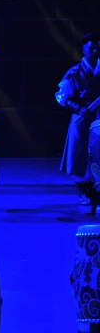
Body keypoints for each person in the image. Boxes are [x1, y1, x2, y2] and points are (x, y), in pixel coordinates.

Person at [55, 33, 100, 205]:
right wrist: (79, 108)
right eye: (92, 47)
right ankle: (83, 188)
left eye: (98, 47)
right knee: (80, 152)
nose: (96, 50)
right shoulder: (74, 72)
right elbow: (63, 96)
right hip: (83, 116)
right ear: (84, 49)